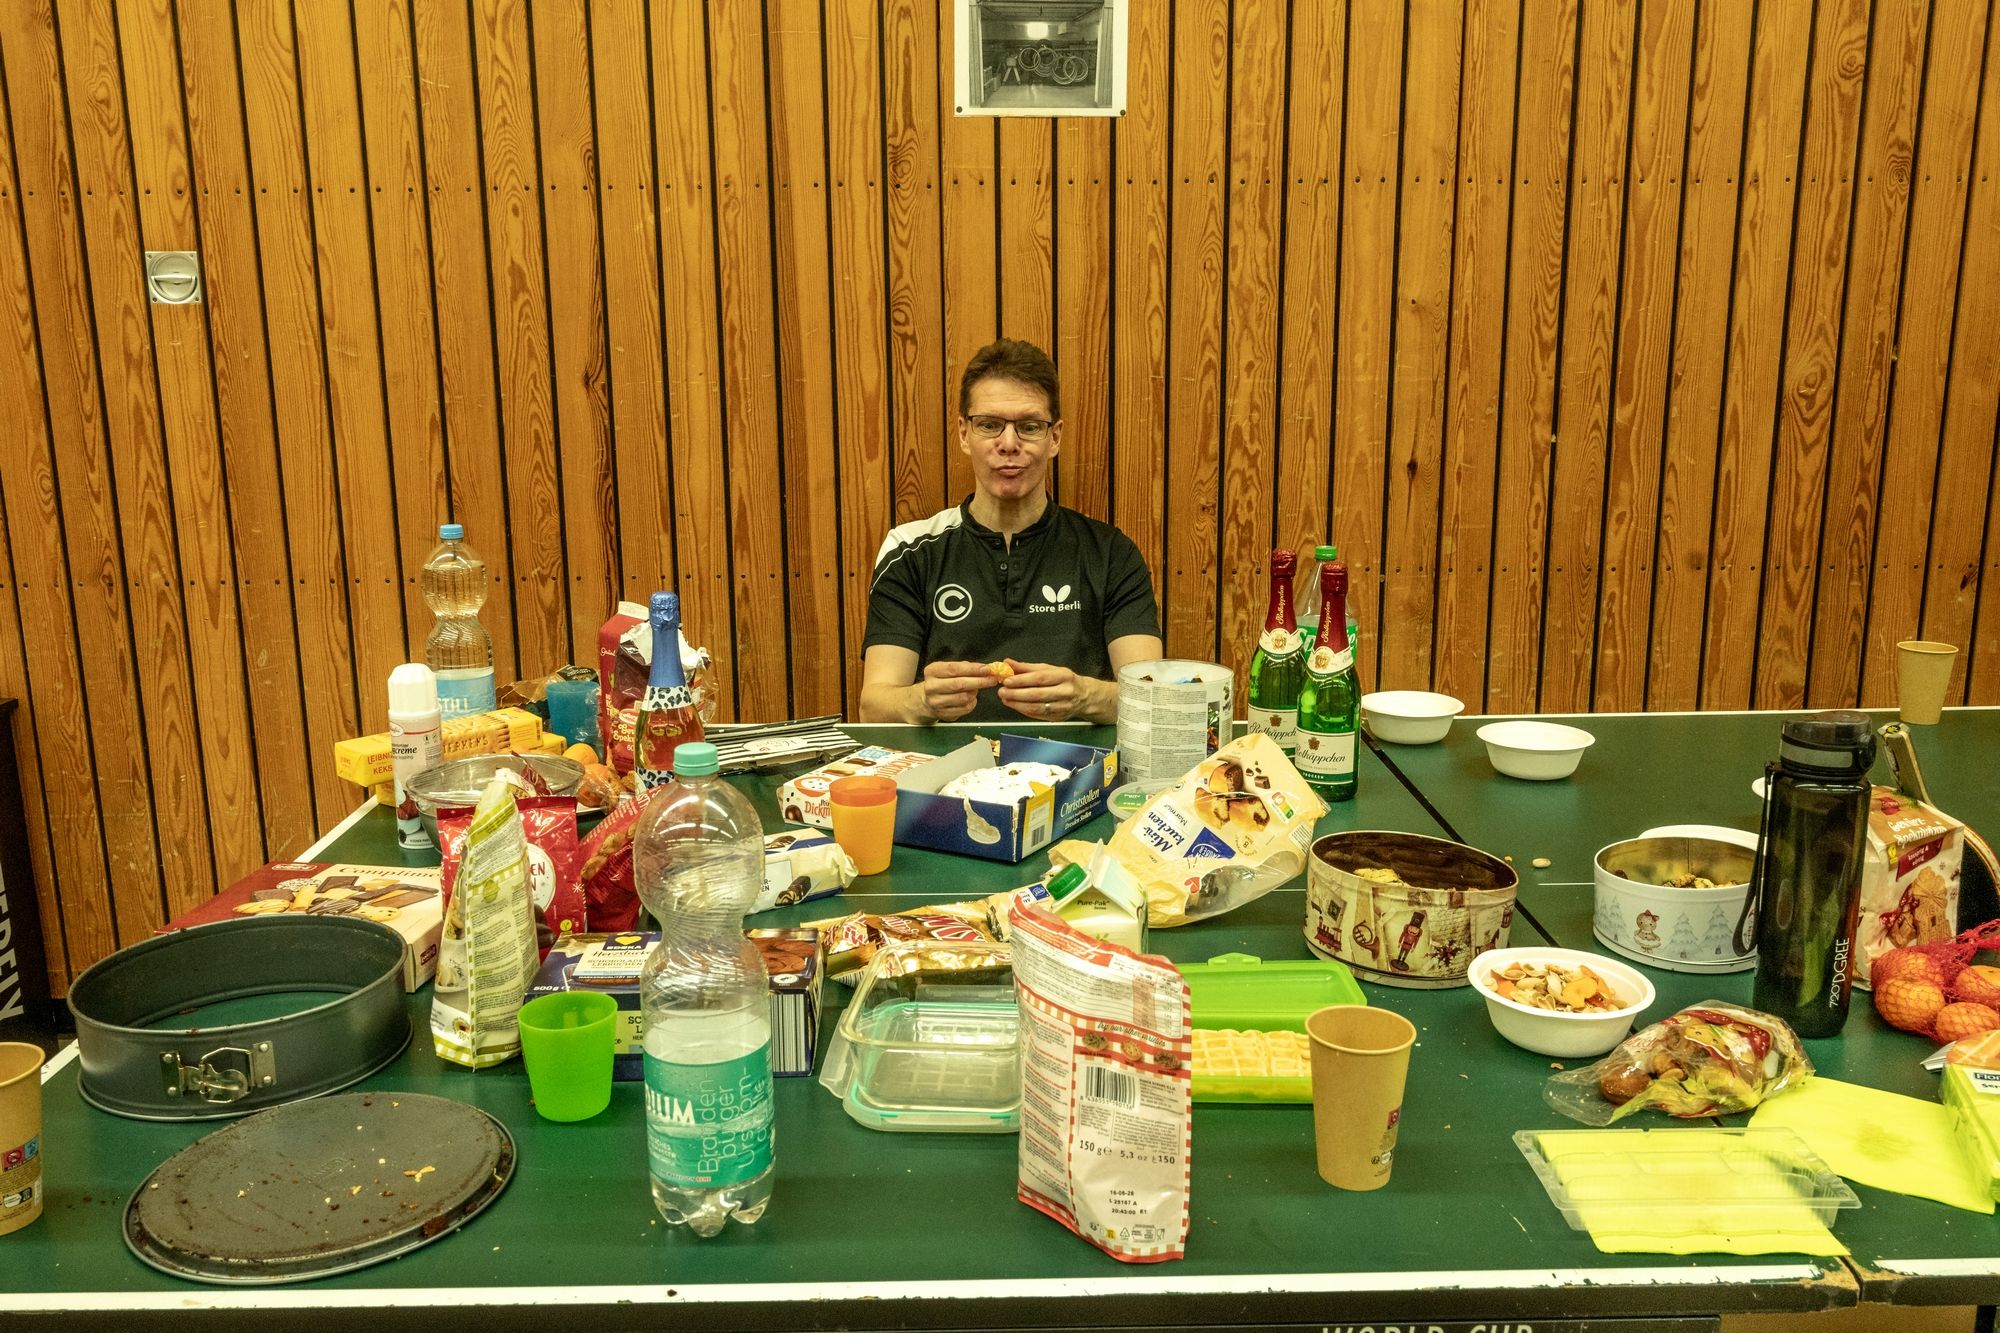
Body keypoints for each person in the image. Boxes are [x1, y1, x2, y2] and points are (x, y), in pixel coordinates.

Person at [859, 339, 1163, 724]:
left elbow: (1154, 700)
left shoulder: (1111, 553)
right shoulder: (909, 550)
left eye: (1029, 427)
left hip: (1080, 762)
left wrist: (1084, 696)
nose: (1008, 444)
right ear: (964, 433)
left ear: (1054, 437)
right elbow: (873, 706)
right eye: (989, 425)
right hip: (944, 762)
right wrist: (922, 701)